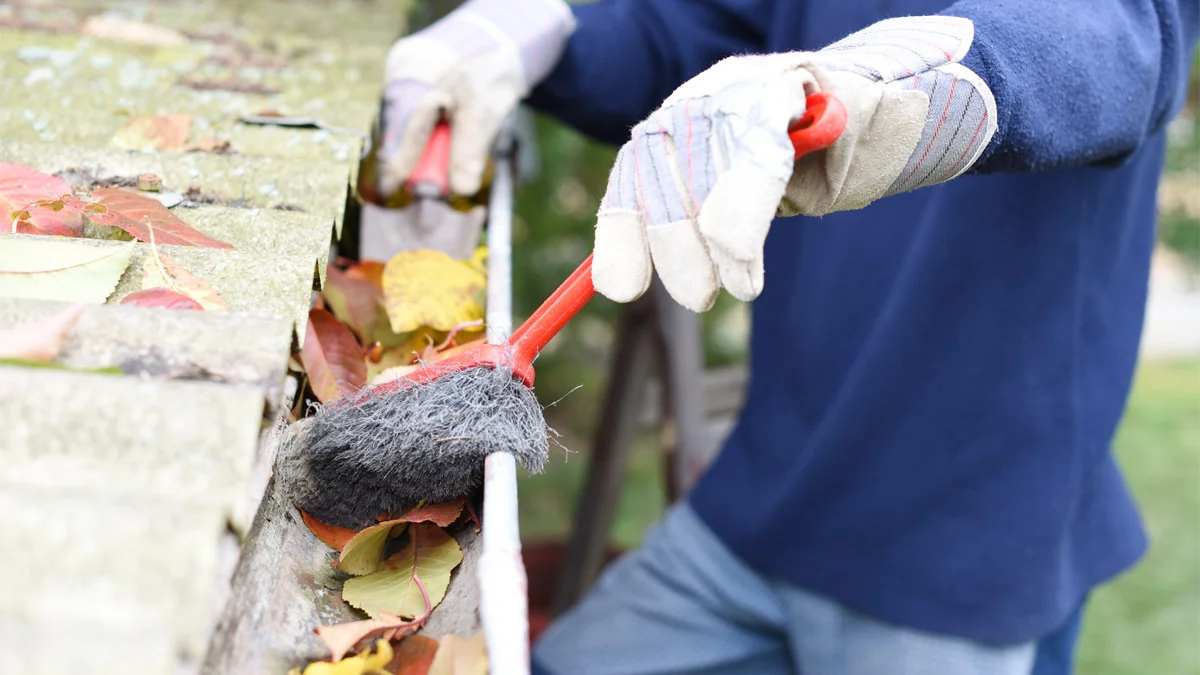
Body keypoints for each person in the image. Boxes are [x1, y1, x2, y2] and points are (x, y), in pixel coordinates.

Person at [377, 1, 1199, 673]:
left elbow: (1109, 43)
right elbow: (691, 36)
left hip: (961, 560)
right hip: (758, 508)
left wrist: (875, 78)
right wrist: (538, 33)